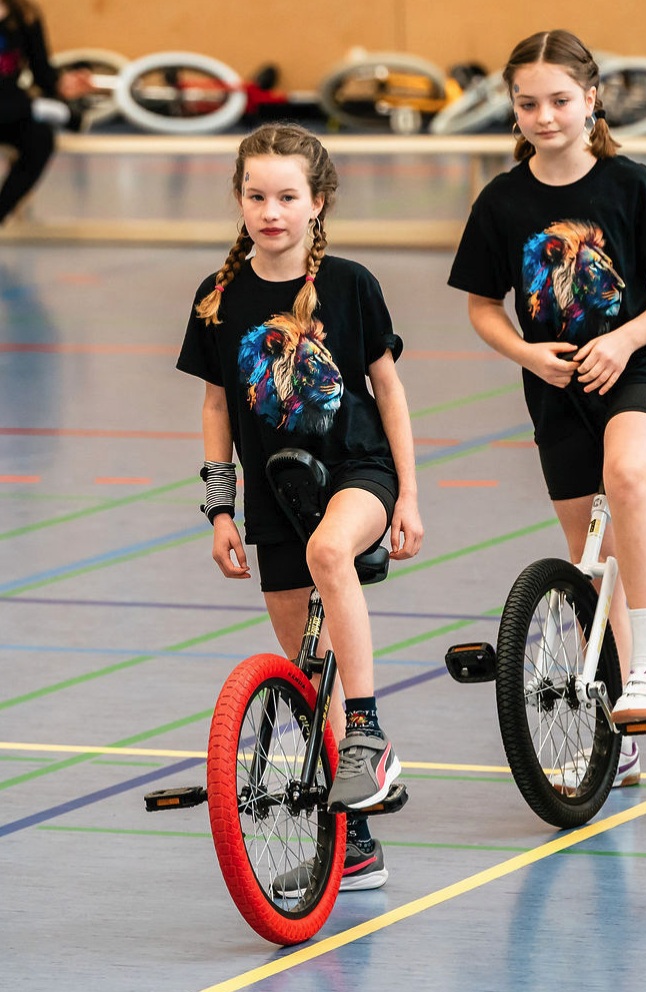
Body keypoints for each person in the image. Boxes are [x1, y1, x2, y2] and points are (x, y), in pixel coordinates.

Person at [448, 30, 646, 787]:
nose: (544, 116)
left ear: (589, 100)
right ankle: (612, 728)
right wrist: (525, 353)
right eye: (527, 103)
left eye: (559, 100)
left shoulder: (630, 186)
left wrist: (623, 341)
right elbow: (481, 307)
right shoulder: (501, 201)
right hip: (555, 388)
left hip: (638, 369)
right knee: (594, 567)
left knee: (628, 478)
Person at [177, 122, 423, 891]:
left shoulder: (350, 284)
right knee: (303, 672)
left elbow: (389, 389)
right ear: (239, 200)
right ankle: (351, 843)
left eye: (287, 196)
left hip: (357, 472)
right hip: (271, 497)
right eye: (256, 196)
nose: (270, 211)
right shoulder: (217, 296)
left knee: (329, 555)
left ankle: (368, 733)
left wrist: (408, 495)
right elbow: (218, 408)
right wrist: (221, 510)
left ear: (317, 203)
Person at [0, 0, 91, 225]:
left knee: (40, 139)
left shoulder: (25, 15)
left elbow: (42, 72)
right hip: (10, 106)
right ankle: (39, 110)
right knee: (22, 108)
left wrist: (64, 84)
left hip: (9, 107)